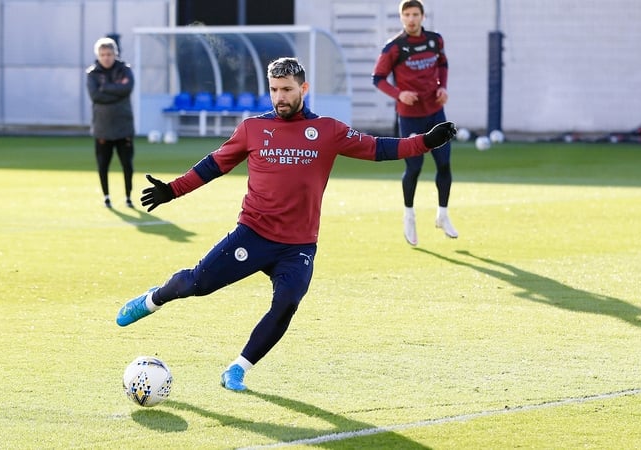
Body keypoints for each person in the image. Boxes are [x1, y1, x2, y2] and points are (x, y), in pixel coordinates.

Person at [115, 57, 456, 391]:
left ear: (303, 88)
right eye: (274, 89)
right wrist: (172, 190)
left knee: (287, 302)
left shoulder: (328, 131)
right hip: (254, 234)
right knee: (197, 284)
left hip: (299, 245)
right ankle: (153, 300)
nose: (280, 97)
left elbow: (378, 148)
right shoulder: (253, 128)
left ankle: (237, 369)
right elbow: (214, 165)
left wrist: (426, 141)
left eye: (287, 89)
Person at [372, 0, 457, 245]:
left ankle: (443, 214)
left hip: (435, 113)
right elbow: (377, 78)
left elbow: (443, 63)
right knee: (414, 168)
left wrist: (443, 87)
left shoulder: (435, 40)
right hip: (409, 118)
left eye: (415, 14)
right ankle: (409, 216)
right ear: (401, 18)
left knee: (444, 164)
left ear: (422, 16)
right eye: (407, 15)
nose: (411, 19)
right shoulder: (394, 47)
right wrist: (399, 94)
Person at [86, 37, 136, 208]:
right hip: (102, 127)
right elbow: (95, 96)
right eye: (102, 54)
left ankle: (128, 196)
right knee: (103, 164)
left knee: (127, 164)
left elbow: (127, 89)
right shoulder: (92, 73)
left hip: (124, 125)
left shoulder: (125, 70)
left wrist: (105, 87)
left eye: (109, 54)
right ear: (98, 55)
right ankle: (106, 196)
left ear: (115, 54)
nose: (106, 57)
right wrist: (115, 90)